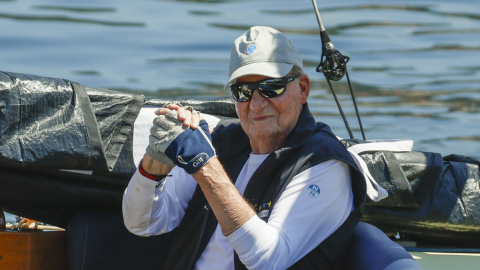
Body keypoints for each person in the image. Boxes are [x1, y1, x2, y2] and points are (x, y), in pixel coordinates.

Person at [122, 26, 366, 270]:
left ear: (303, 89)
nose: (257, 104)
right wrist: (156, 161)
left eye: (272, 87)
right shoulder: (221, 142)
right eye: (244, 91)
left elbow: (269, 260)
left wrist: (204, 165)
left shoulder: (324, 163)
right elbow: (143, 223)